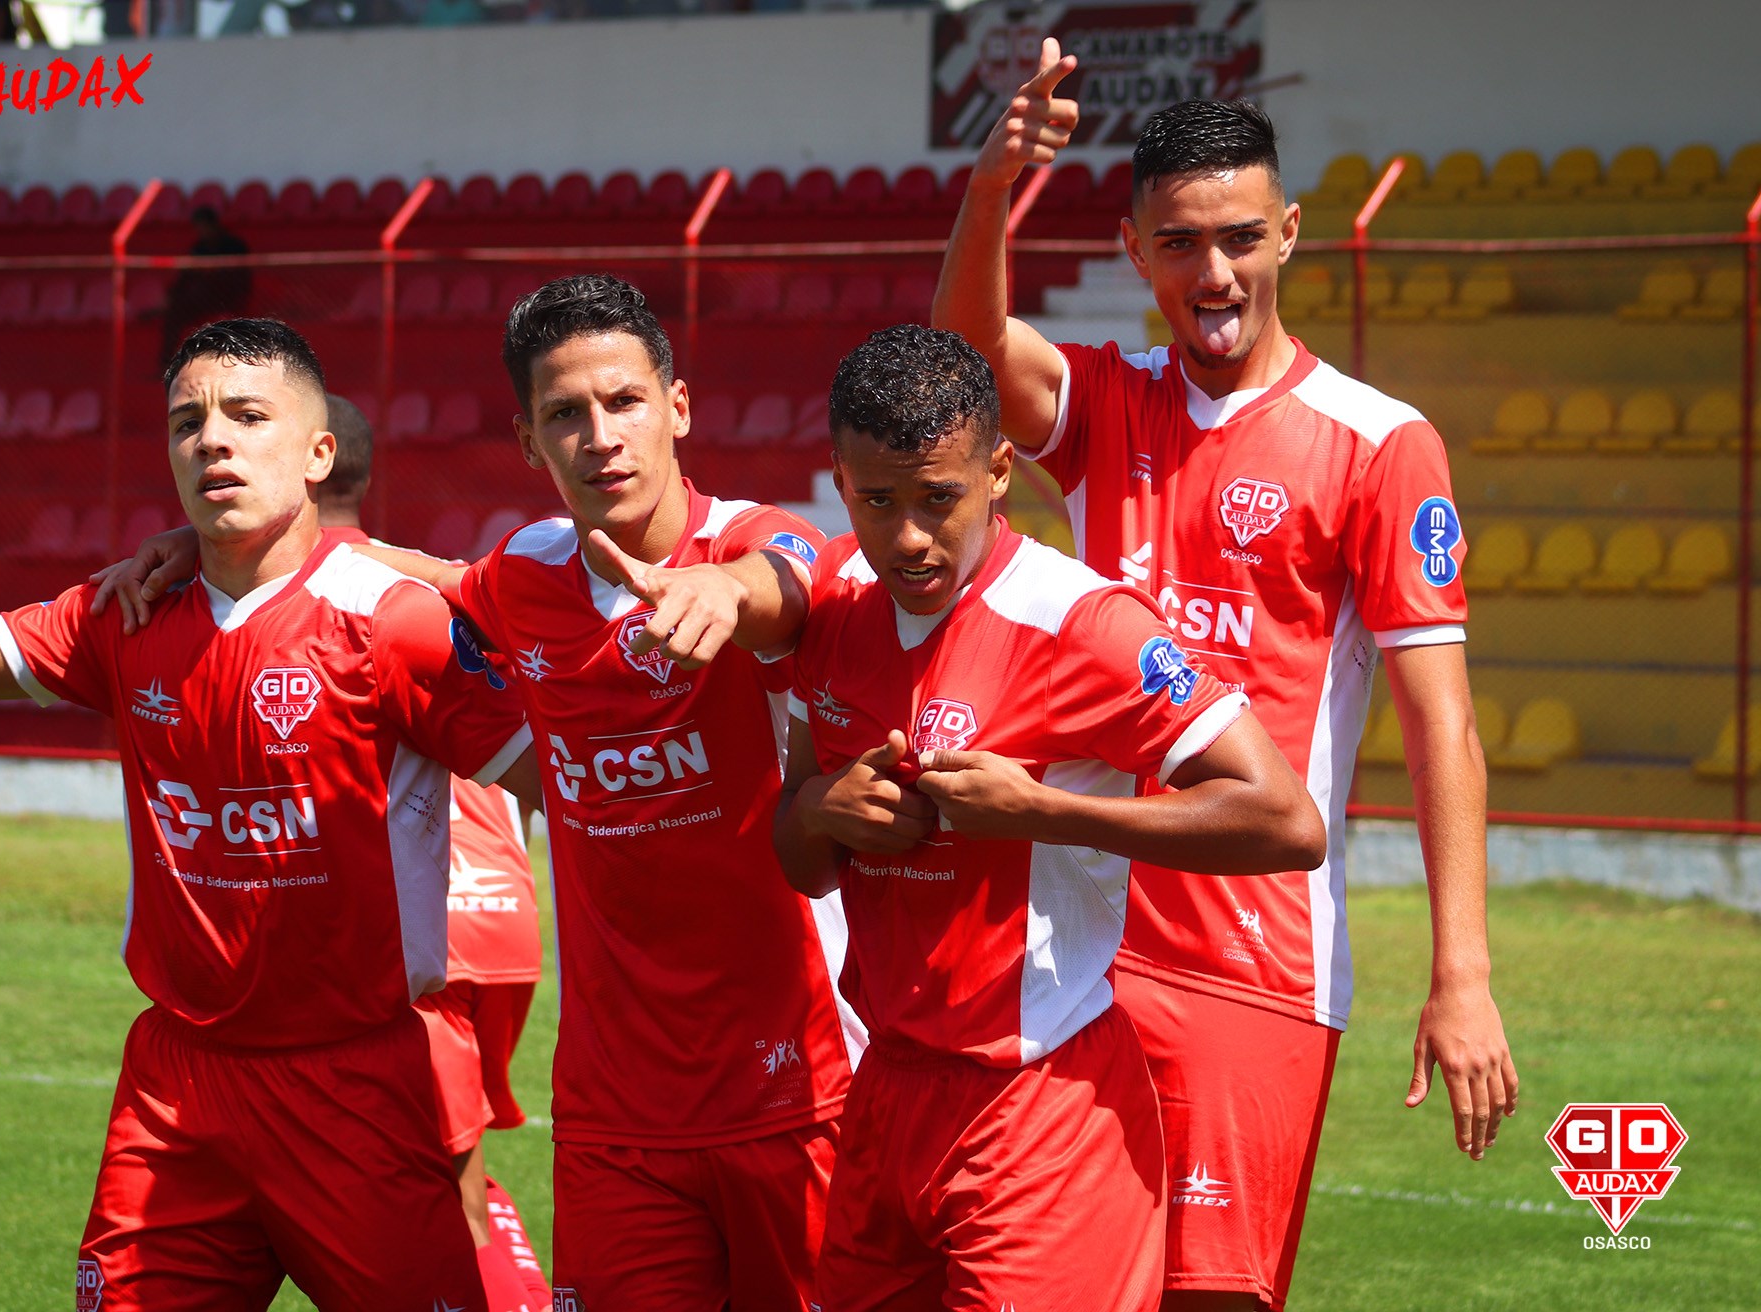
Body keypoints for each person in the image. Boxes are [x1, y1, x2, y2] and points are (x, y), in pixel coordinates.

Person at [93, 276, 861, 1312]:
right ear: (528, 440)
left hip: (794, 1087)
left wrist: (727, 591)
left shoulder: (749, 543)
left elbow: (801, 574)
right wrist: (214, 546)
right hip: (612, 1114)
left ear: (678, 408)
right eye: (564, 415)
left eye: (625, 402)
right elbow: (392, 571)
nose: (601, 436)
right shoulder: (526, 572)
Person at [933, 48, 1520, 1311]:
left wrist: (1460, 972)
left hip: (1249, 968)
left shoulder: (1378, 442)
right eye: (1183, 243)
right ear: (1134, 249)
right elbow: (962, 360)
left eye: (1243, 237)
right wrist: (992, 183)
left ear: (1292, 234)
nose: (1216, 274)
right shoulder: (1106, 405)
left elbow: (1442, 728)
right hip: (1073, 954)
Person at [0, 318, 537, 1311]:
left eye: (247, 415)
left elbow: (562, 778)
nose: (213, 440)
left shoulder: (391, 618)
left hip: (357, 1085)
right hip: (176, 1091)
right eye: (187, 421)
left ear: (320, 452)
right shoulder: (129, 610)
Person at [774, 325, 1325, 1312]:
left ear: (998, 470)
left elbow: (1286, 820)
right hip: (887, 1091)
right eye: (877, 500)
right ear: (840, 478)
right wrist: (822, 808)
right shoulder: (836, 608)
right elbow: (801, 860)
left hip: (1038, 1102)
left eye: (938, 499)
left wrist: (1045, 811)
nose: (908, 535)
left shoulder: (1085, 623)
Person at [319, 390, 553, 1312]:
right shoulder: (433, 587)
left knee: (440, 1186)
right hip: (508, 919)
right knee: (456, 1162)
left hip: (427, 932)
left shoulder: (322, 598)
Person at [161, 208, 254, 368]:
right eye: (199, 227)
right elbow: (186, 276)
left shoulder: (234, 245)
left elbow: (240, 278)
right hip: (200, 300)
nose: (202, 231)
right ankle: (167, 364)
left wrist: (212, 272)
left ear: (214, 225)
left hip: (227, 297)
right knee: (174, 312)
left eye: (205, 226)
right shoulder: (199, 248)